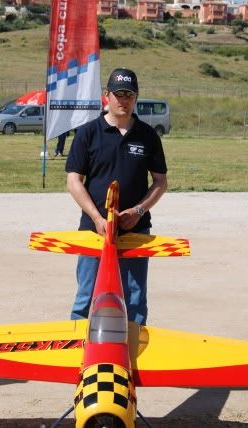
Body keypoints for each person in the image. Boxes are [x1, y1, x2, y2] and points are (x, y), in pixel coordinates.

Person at [65, 68, 168, 326]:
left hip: (135, 231)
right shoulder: (88, 133)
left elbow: (160, 181)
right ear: (106, 96)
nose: (124, 100)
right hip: (93, 230)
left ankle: (133, 355)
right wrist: (97, 218)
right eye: (119, 94)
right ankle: (77, 350)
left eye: (129, 95)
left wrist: (139, 211)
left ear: (136, 97)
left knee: (134, 297)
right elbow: (74, 181)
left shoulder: (147, 136)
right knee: (85, 297)